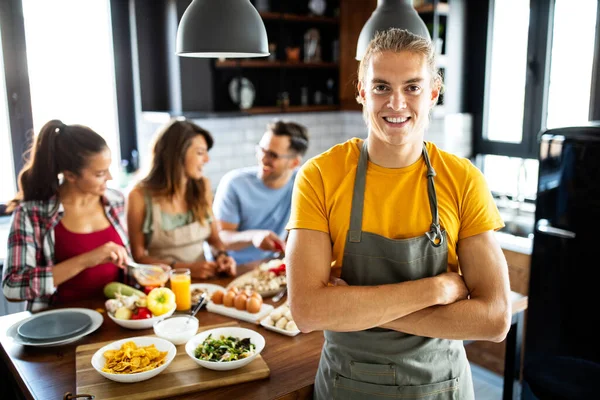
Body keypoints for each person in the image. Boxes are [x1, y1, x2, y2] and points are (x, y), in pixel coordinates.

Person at [285, 28, 512, 399]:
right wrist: (435, 289)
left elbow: (495, 318)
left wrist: (353, 309)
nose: (396, 103)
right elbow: (308, 311)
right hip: (348, 385)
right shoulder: (320, 176)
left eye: (412, 87)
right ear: (361, 91)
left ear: (434, 93)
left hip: (441, 386)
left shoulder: (463, 179)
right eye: (381, 87)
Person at [2, 120, 133, 311]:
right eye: (100, 173)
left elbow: (124, 264)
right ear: (70, 175)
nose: (110, 178)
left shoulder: (115, 201)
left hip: (117, 317)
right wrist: (85, 260)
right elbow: (12, 286)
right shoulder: (31, 214)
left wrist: (144, 271)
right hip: (60, 324)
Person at [127, 119, 236, 280]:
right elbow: (139, 258)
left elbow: (214, 239)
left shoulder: (203, 186)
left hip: (204, 284)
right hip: (162, 288)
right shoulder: (139, 196)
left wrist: (222, 255)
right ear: (177, 154)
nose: (207, 160)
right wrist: (185, 269)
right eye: (200, 153)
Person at [213, 120, 309, 265]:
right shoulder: (234, 183)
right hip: (232, 267)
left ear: (294, 163)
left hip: (271, 265)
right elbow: (221, 239)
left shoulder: (302, 184)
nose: (263, 158)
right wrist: (254, 237)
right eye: (261, 150)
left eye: (272, 155)